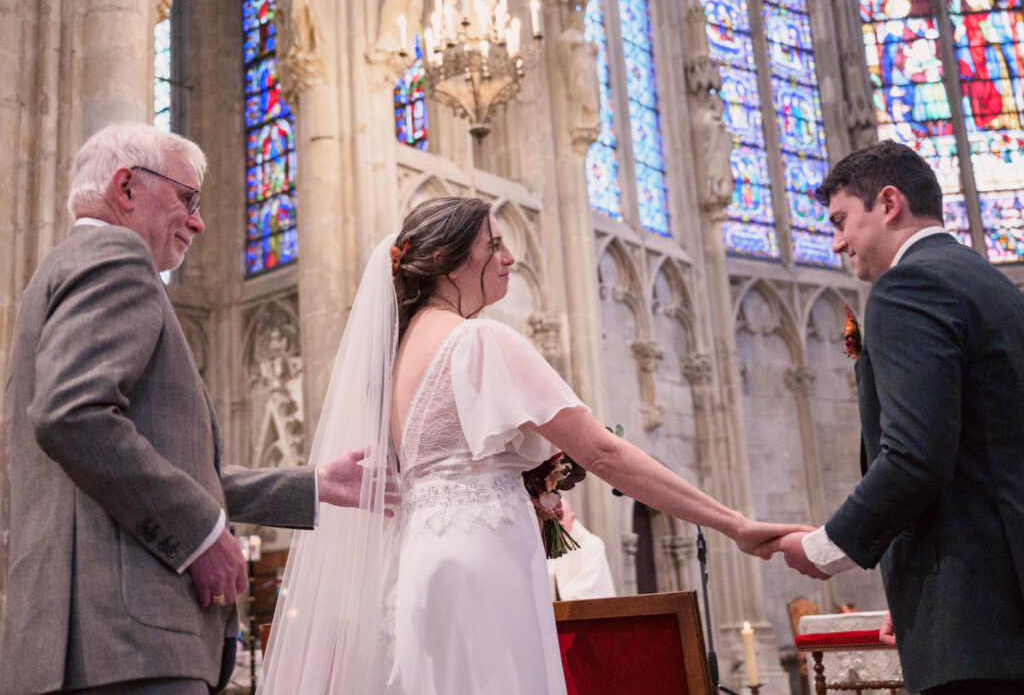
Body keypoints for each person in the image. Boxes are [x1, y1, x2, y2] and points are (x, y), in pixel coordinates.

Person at [260, 196, 806, 695]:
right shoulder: (480, 339)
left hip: (423, 562)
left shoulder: (395, 358)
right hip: (482, 561)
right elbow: (604, 454)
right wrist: (733, 524)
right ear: (452, 261)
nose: (511, 256)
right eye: (494, 244)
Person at [0, 122, 388, 695]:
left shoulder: (54, 272)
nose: (198, 221)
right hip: (130, 642)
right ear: (126, 187)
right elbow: (72, 414)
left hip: (77, 636)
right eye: (187, 199)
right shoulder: (114, 253)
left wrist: (313, 486)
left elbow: (146, 459)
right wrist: (203, 534)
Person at [766, 140, 1024, 695]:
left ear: (888, 203)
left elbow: (915, 456)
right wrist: (924, 599)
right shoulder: (993, 286)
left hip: (980, 628)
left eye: (840, 221)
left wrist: (824, 548)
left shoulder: (909, 286)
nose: (836, 242)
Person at [547, 497, 616, 601]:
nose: (554, 530)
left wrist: (552, 597)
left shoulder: (592, 545)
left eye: (560, 525)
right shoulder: (543, 544)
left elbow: (590, 589)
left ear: (572, 519)